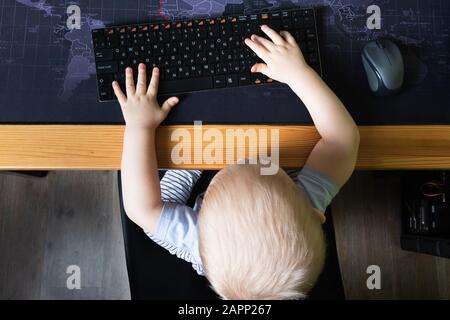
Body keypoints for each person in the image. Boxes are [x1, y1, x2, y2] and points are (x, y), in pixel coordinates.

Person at [113, 25, 360, 299]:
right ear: (316, 217)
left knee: (156, 214)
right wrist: (298, 74)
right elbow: (343, 140)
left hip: (205, 234)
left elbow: (140, 209)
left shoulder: (197, 239)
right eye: (262, 169)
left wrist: (140, 127)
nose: (243, 157)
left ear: (202, 218)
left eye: (237, 167)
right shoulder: (302, 209)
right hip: (243, 221)